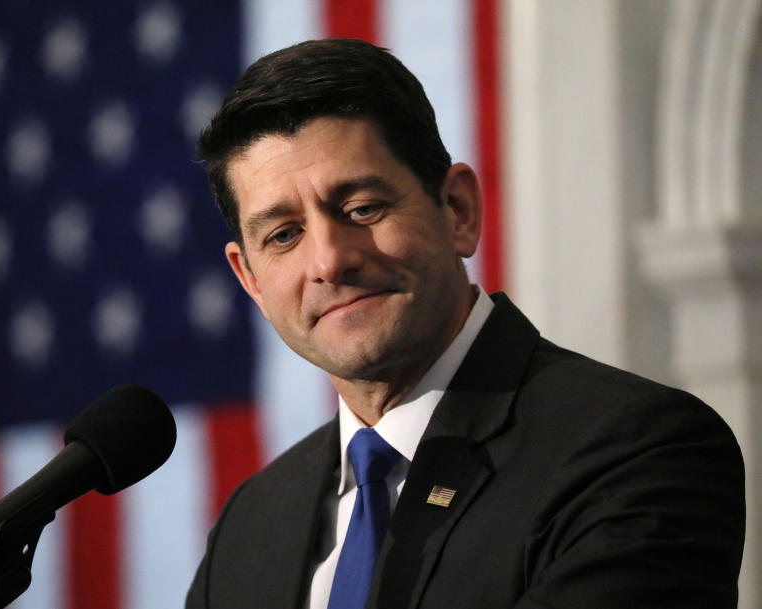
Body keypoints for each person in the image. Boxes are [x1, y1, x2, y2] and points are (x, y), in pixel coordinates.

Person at [186, 38, 745, 609]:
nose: (329, 260)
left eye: (361, 209)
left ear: (458, 210)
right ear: (250, 279)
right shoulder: (250, 528)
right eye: (283, 235)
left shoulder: (634, 452)